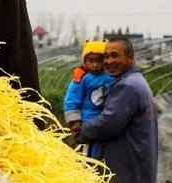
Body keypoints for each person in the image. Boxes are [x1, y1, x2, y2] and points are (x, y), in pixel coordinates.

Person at [79, 36, 158, 183]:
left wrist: (83, 128)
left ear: (130, 58)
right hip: (135, 166)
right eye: (106, 57)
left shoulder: (127, 86)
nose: (108, 61)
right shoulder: (133, 81)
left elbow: (108, 124)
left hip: (128, 171)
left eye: (114, 56)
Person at [63, 40, 114, 157]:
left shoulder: (111, 77)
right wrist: (75, 121)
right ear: (84, 61)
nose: (95, 65)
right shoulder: (81, 78)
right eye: (91, 61)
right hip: (86, 122)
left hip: (105, 121)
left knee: (102, 152)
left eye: (99, 61)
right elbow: (71, 100)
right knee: (86, 153)